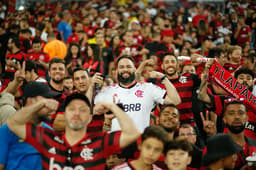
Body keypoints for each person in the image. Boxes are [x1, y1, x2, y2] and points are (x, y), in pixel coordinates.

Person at [7, 93, 140, 169]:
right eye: (71, 109)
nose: (76, 113)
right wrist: (40, 104)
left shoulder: (100, 143)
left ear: (90, 118)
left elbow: (132, 133)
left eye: (82, 110)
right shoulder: (48, 139)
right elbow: (13, 123)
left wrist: (111, 106)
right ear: (64, 115)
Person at [95, 55, 181, 132]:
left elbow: (175, 101)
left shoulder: (148, 88)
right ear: (117, 71)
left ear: (135, 70)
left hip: (140, 146)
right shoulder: (107, 92)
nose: (125, 69)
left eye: (128, 66)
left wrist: (163, 78)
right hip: (116, 146)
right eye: (121, 67)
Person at [0, 82, 61, 170]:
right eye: (46, 99)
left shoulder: (51, 133)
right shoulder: (7, 131)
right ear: (30, 101)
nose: (51, 105)